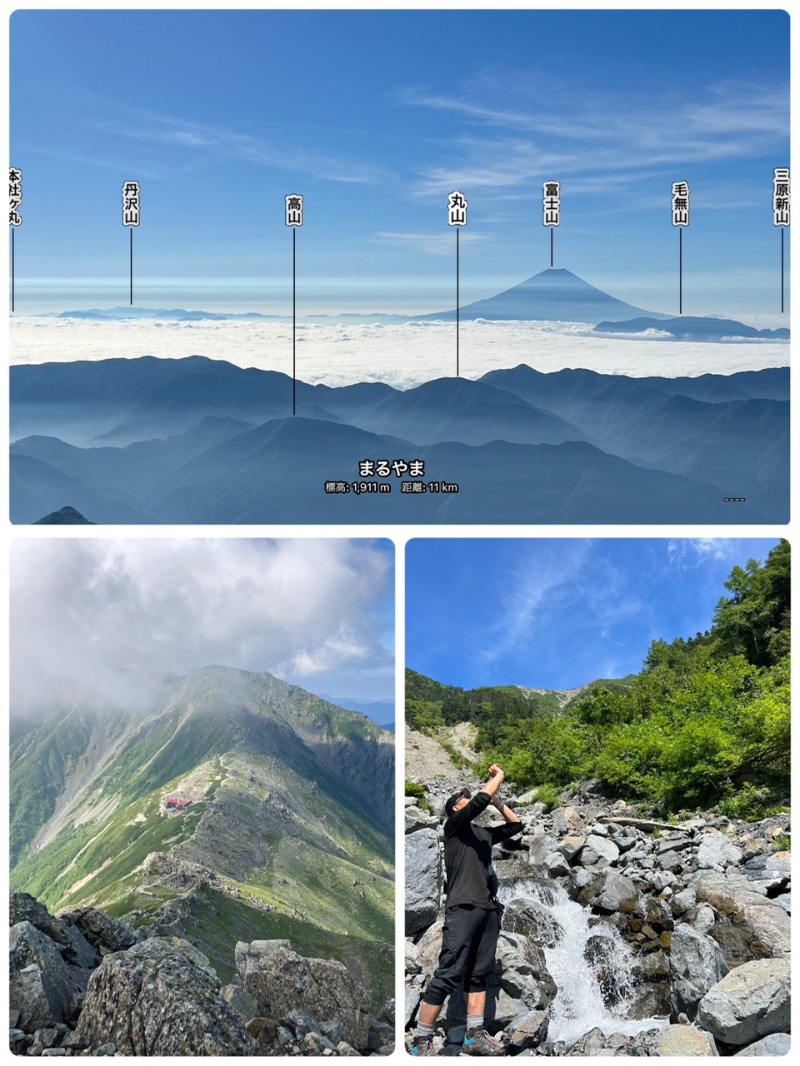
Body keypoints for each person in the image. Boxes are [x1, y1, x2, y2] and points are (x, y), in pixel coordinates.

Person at [411, 764, 522, 1056]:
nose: (467, 798)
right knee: (448, 973)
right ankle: (420, 1040)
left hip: (487, 909)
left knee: (479, 974)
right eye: (462, 798)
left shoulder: (481, 834)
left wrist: (499, 802)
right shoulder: (455, 828)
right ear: (454, 809)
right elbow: (478, 802)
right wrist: (498, 777)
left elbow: (515, 827)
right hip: (462, 906)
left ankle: (475, 1036)